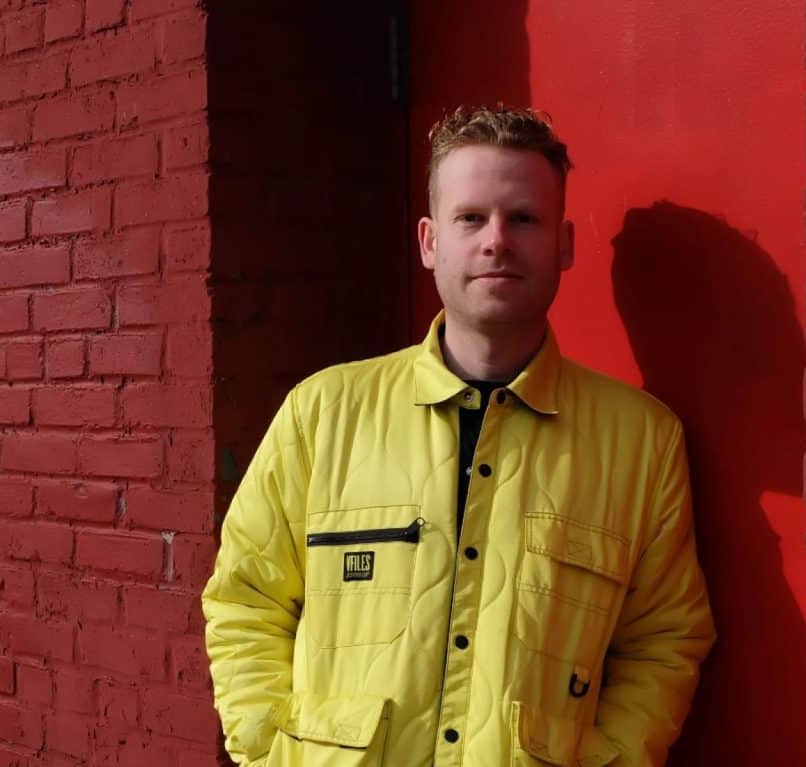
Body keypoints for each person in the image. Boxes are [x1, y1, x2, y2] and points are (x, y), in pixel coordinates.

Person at [202, 105, 715, 767]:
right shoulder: (322, 414)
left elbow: (664, 640)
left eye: (522, 218)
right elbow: (246, 598)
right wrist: (267, 749)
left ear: (563, 243)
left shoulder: (642, 443)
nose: (496, 240)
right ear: (429, 241)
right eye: (470, 218)